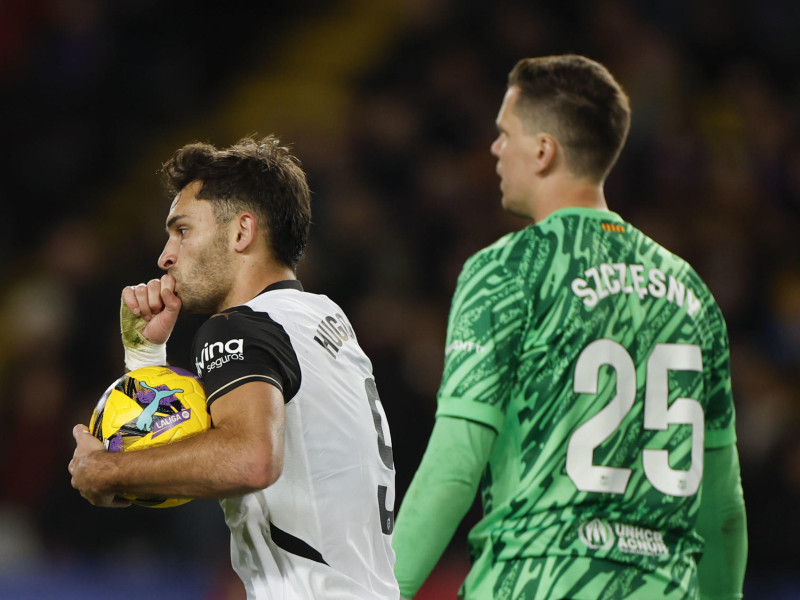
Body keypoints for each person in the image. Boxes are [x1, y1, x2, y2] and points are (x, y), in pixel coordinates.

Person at [392, 55, 747, 600]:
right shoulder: (693, 294)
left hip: (537, 579)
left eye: (504, 133)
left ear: (542, 151)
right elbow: (722, 508)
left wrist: (374, 588)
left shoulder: (507, 270)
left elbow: (455, 467)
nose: (494, 149)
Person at [69, 136, 400, 600]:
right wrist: (146, 360)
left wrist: (106, 470)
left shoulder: (238, 328)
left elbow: (249, 458)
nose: (165, 255)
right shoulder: (325, 320)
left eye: (182, 230)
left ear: (241, 232)